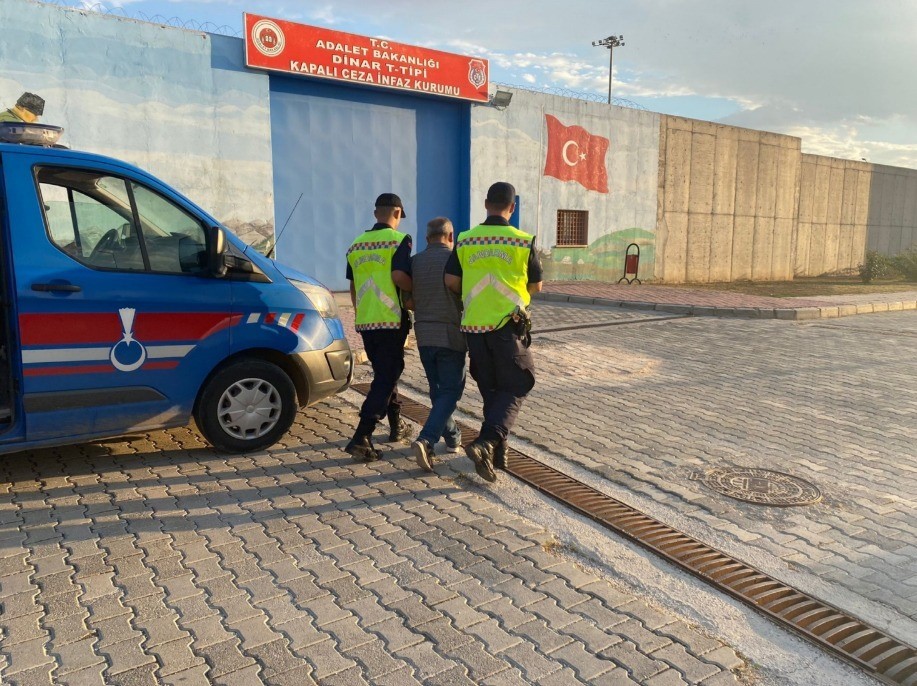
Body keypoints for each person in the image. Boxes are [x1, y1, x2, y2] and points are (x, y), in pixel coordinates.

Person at [445, 182, 543, 482]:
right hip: (507, 326)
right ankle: (486, 443)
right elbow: (536, 286)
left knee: (492, 389)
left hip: (474, 327)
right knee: (518, 382)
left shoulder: (465, 239)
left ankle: (498, 453)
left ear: (486, 203)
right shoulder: (522, 241)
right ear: (511, 208)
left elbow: (451, 280)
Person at [344, 193, 414, 461]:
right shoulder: (399, 241)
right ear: (397, 213)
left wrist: (362, 312)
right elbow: (400, 277)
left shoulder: (356, 244)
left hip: (366, 321)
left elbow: (352, 286)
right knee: (386, 377)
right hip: (391, 319)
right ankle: (362, 434)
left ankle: (396, 425)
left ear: (376, 214)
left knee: (385, 372)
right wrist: (414, 292)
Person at [410, 217, 466, 471]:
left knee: (438, 390)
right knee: (451, 392)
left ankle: (452, 436)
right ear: (451, 237)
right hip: (450, 335)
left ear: (426, 238)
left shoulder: (414, 262)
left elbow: (408, 300)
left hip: (423, 334)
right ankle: (427, 440)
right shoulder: (456, 260)